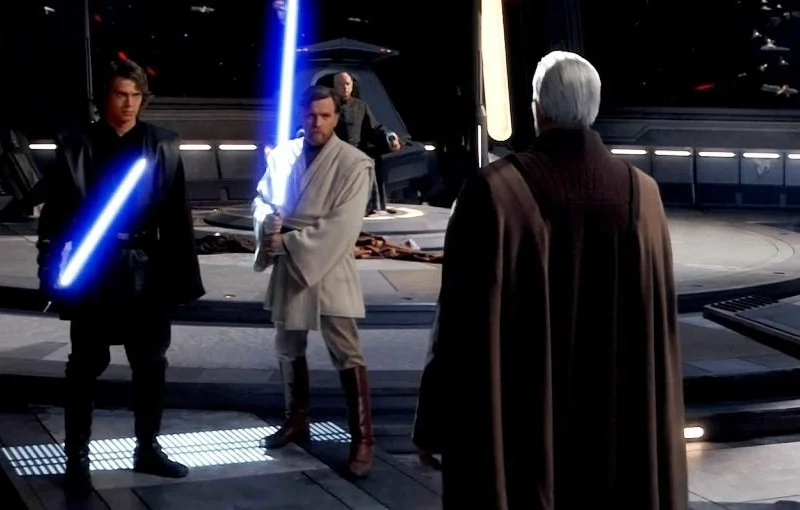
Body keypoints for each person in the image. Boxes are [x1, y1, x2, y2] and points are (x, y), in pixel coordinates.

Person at [413, 51, 688, 509]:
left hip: (522, 435)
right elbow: (658, 333)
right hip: (619, 433)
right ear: (593, 108)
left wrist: (435, 423)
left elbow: (459, 323)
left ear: (538, 108)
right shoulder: (644, 195)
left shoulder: (494, 192)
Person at [36, 59, 205, 498]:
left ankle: (147, 449)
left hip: (147, 271)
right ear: (104, 97)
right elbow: (55, 216)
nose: (128, 104)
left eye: (135, 95)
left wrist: (182, 279)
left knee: (150, 366)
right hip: (94, 270)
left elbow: (177, 217)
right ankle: (76, 459)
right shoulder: (76, 144)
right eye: (120, 94)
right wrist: (49, 271)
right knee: (84, 367)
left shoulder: (162, 145)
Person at [253, 85, 376, 478]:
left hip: (328, 261)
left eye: (324, 115)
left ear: (337, 117)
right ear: (300, 116)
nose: (316, 122)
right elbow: (262, 199)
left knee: (346, 350)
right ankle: (296, 419)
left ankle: (363, 440)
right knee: (288, 344)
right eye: (310, 115)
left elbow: (344, 226)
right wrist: (266, 224)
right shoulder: (283, 155)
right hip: (289, 261)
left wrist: (288, 241)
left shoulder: (355, 163)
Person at [333, 71, 401, 213]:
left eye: (348, 84)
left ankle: (368, 208)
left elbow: (374, 128)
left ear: (352, 86)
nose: (345, 88)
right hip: (334, 155)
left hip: (356, 155)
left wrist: (390, 137)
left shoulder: (360, 106)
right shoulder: (328, 105)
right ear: (335, 85)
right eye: (341, 84)